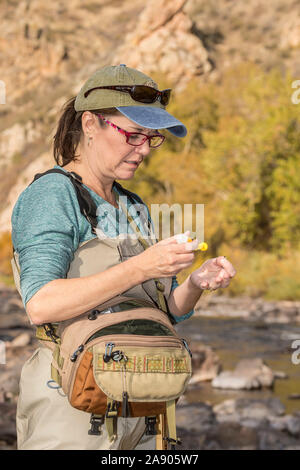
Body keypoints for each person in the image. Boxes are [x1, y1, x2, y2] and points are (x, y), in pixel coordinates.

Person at [11, 64, 236, 450]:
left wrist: (197, 283)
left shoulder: (134, 206)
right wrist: (142, 266)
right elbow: (41, 304)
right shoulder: (53, 195)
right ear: (89, 124)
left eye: (152, 139)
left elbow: (167, 311)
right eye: (133, 135)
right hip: (73, 407)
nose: (144, 149)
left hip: (146, 406)